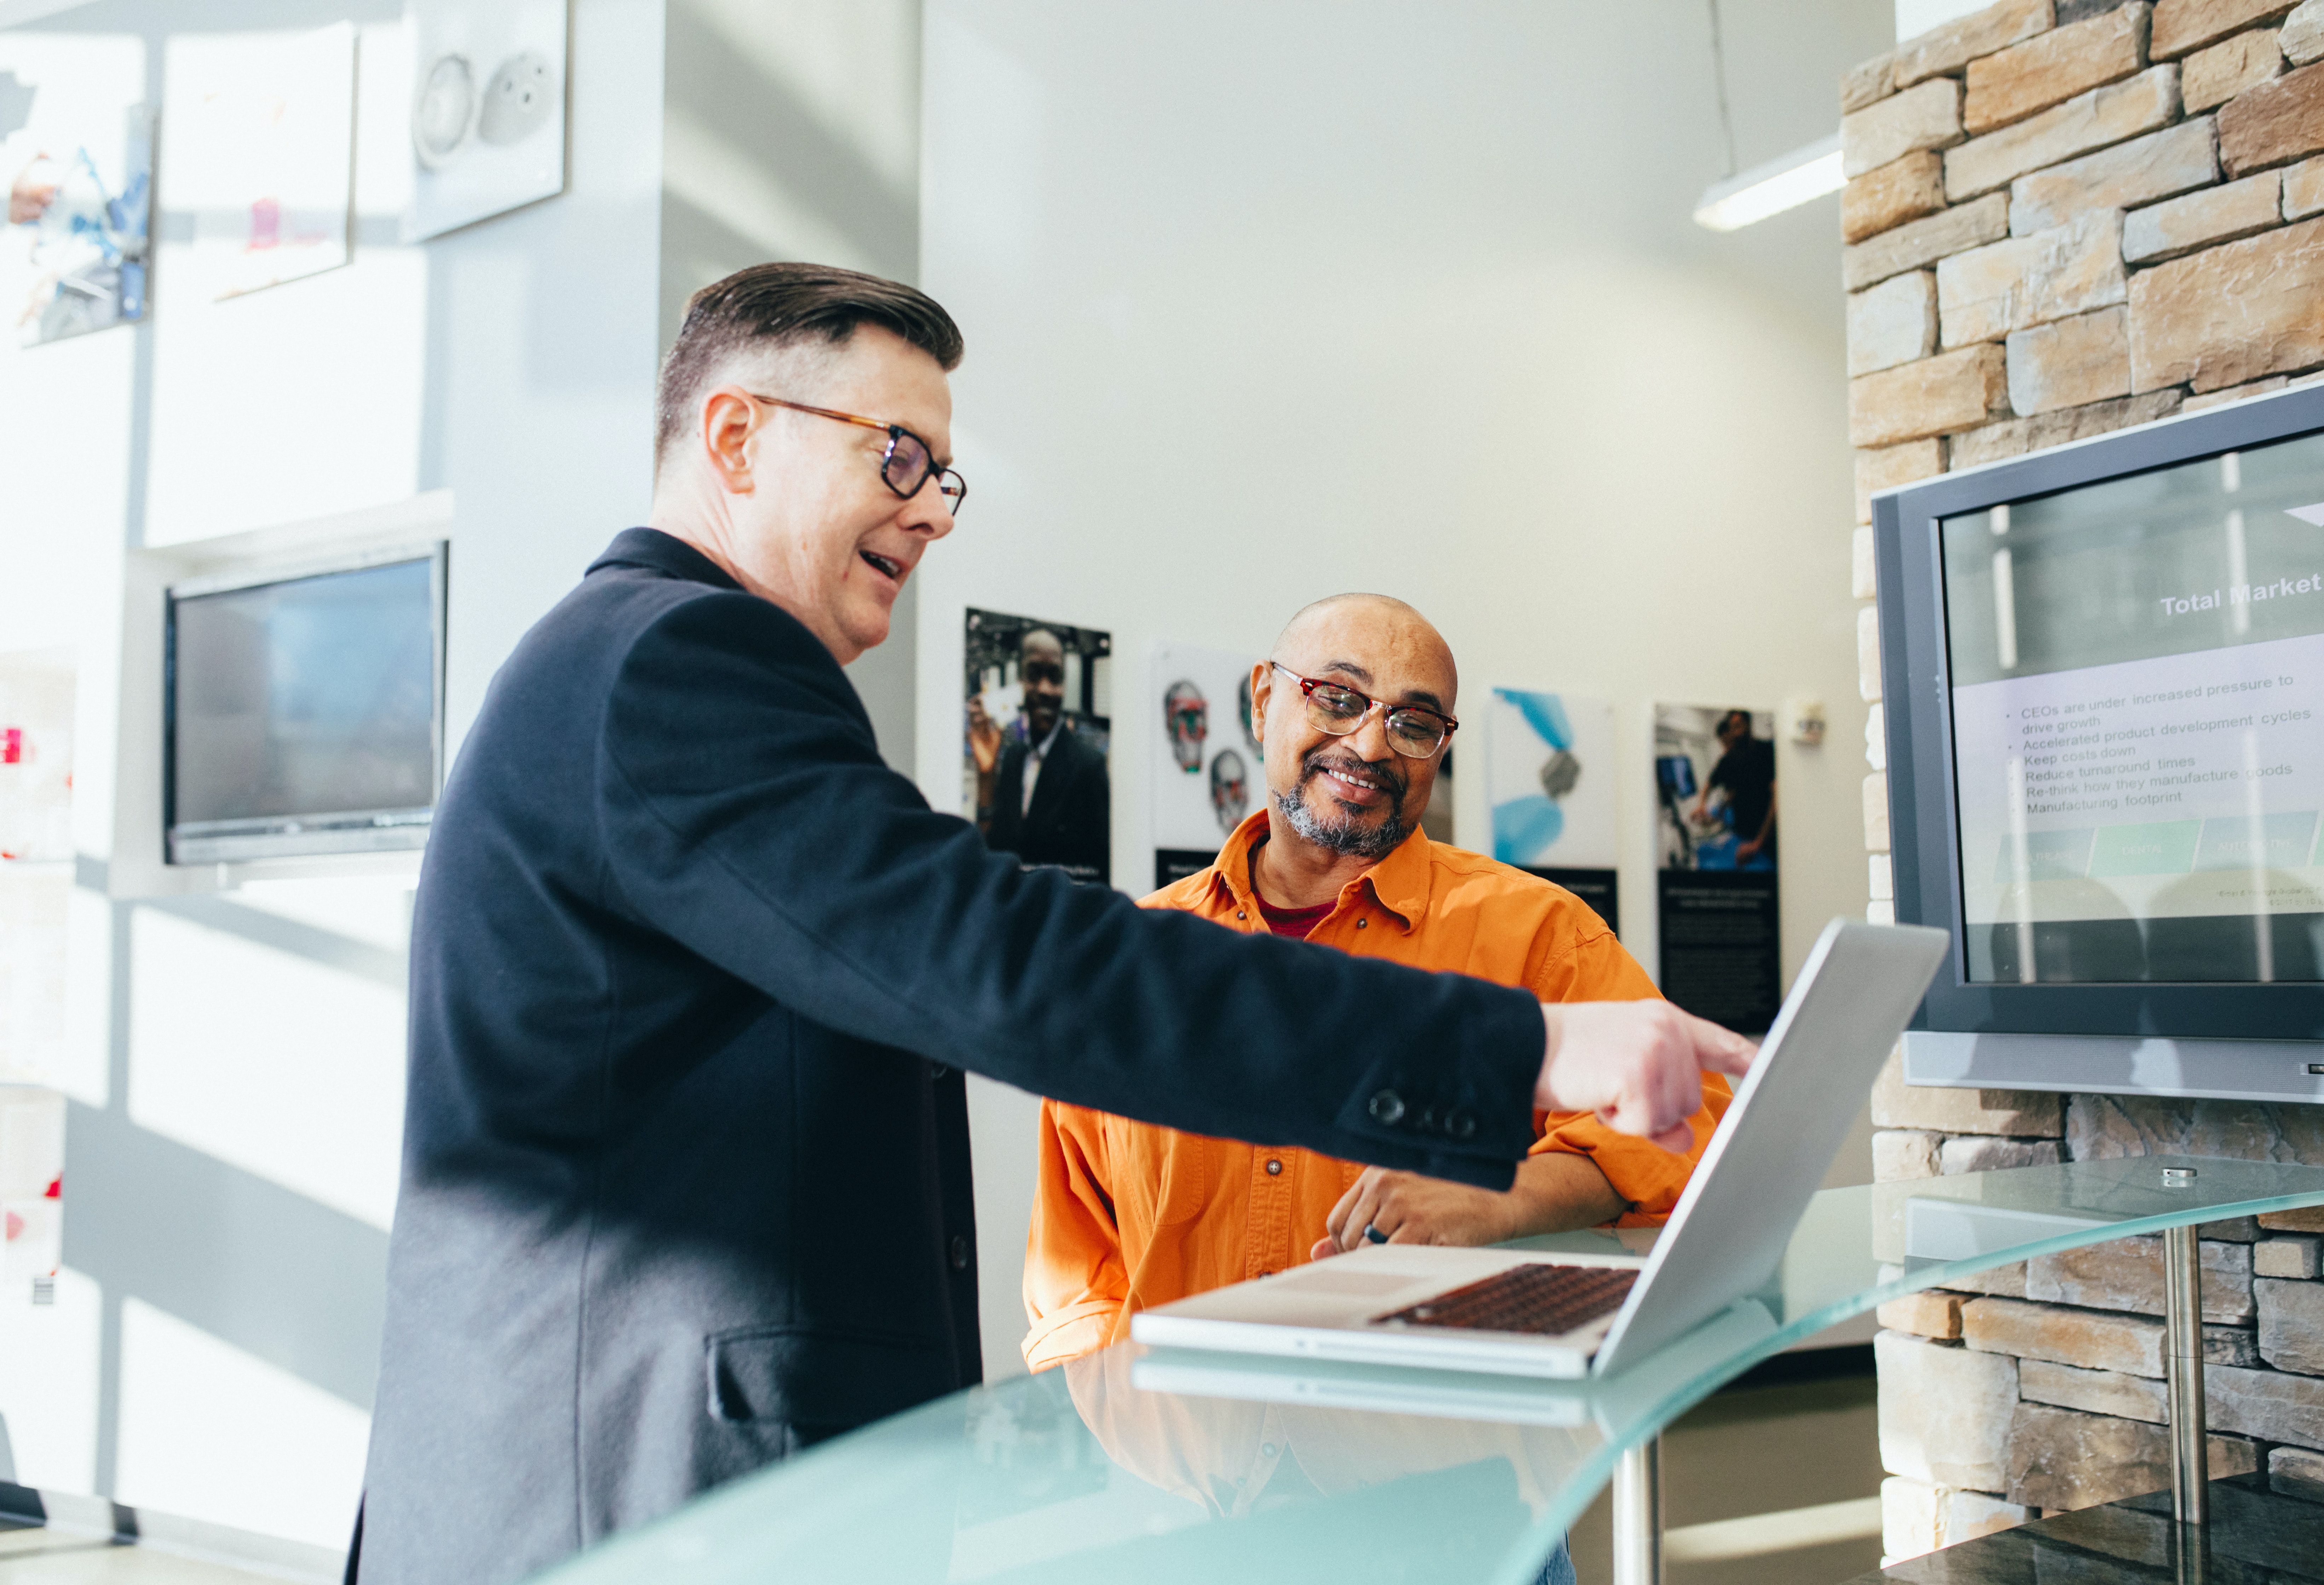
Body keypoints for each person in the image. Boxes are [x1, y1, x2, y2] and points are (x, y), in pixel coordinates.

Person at [350, 263, 1754, 1585]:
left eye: (941, 472)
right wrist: (1522, 1052)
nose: (934, 510)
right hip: (633, 1488)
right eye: (895, 454)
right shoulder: (677, 661)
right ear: (733, 439)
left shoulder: (636, 666)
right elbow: (1005, 962)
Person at [1023, 596, 1730, 1370]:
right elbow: (1076, 1264)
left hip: (1433, 1456)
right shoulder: (1138, 957)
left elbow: (1692, 1121)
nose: (1368, 743)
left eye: (1413, 723)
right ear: (1263, 700)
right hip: (1182, 1463)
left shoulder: (1538, 933)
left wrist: (1500, 1195)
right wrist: (1113, 1433)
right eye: (1337, 697)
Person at [980, 627, 1110, 880]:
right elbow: (995, 850)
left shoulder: (1089, 767)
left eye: (1055, 676)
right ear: (1019, 680)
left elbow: (1099, 872)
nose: (1045, 689)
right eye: (1034, 674)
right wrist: (986, 774)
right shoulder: (1012, 757)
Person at [1695, 708, 1777, 869]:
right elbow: (1713, 785)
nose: (1735, 735)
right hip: (1741, 835)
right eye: (1733, 729)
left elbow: (1777, 797)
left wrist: (1758, 843)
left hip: (1765, 839)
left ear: (1748, 725)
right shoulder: (1729, 760)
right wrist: (1703, 807)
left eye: (1739, 726)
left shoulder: (1765, 751)